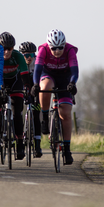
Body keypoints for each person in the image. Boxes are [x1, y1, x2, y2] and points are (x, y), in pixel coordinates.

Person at [31, 29, 78, 165]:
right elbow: (38, 69)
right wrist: (35, 84)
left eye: (60, 48)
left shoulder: (70, 51)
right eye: (54, 48)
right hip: (48, 74)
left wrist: (72, 83)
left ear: (64, 45)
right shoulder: (43, 50)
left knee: (66, 113)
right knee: (45, 88)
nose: (57, 51)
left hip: (65, 77)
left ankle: (67, 149)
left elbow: (75, 71)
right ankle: (45, 117)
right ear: (49, 46)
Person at [0, 32, 31, 160]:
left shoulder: (17, 56)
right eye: (3, 48)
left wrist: (27, 87)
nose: (6, 52)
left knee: (17, 112)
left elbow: (24, 73)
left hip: (15, 81)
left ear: (13, 48)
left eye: (9, 49)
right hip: (0, 81)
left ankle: (20, 143)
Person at [18, 41, 42, 157]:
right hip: (23, 86)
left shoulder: (37, 62)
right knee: (18, 111)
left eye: (31, 55)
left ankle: (38, 144)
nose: (29, 58)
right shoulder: (18, 62)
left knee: (36, 113)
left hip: (35, 86)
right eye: (26, 55)